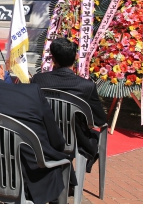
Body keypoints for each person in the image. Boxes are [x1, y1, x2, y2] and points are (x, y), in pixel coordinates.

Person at [0, 52, 68, 204]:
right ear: (1, 70)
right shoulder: (32, 91)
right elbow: (54, 136)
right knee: (62, 164)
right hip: (33, 174)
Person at [31, 38, 106, 172]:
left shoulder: (38, 80)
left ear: (53, 58)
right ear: (76, 57)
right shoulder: (86, 86)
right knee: (95, 136)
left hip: (45, 135)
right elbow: (100, 120)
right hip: (76, 140)